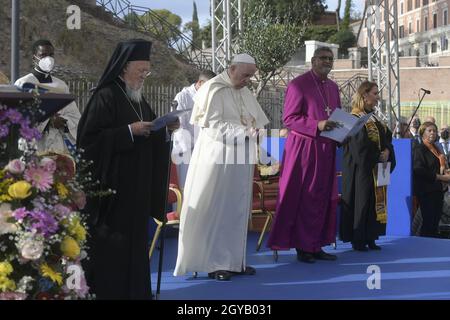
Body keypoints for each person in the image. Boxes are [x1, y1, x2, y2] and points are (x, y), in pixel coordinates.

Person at [77, 39, 179, 299]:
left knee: (135, 247)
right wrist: (128, 132)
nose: (144, 75)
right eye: (140, 70)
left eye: (147, 70)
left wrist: (165, 129)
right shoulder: (105, 96)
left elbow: (150, 131)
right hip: (112, 190)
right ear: (123, 68)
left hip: (136, 189)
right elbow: (89, 142)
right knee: (112, 250)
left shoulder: (139, 99)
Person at [173, 53, 269, 281]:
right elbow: (214, 127)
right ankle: (216, 263)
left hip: (240, 160)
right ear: (232, 69)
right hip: (217, 159)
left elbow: (255, 119)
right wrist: (246, 132)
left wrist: (258, 131)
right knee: (217, 209)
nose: (248, 80)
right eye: (245, 75)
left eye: (251, 76)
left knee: (237, 210)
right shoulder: (213, 89)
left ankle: (235, 262)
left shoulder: (244, 90)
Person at [266, 47, 341, 263]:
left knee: (324, 198)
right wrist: (317, 124)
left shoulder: (334, 87)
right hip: (305, 149)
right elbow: (289, 119)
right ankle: (303, 246)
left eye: (330, 59)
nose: (327, 62)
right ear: (313, 60)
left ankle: (316, 244)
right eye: (323, 58)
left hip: (327, 148)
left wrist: (343, 131)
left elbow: (335, 116)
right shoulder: (298, 85)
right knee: (306, 197)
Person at [339, 81, 396, 251]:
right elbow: (359, 145)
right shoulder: (354, 118)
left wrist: (387, 150)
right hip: (361, 169)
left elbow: (386, 138)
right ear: (365, 95)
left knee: (375, 201)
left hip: (377, 166)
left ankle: (371, 236)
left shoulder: (375, 118)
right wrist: (378, 154)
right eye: (375, 93)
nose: (378, 97)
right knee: (362, 201)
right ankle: (359, 238)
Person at [15, 39, 80, 154]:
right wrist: (48, 122)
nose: (48, 59)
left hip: (59, 145)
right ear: (34, 58)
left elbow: (75, 116)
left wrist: (65, 122)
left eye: (51, 55)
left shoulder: (61, 85)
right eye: (43, 55)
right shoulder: (24, 83)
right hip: (35, 146)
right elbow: (19, 118)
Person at [172, 70, 216, 189]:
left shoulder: (209, 98)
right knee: (185, 189)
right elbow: (179, 128)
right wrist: (198, 144)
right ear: (200, 82)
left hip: (203, 153)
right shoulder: (183, 97)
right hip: (186, 153)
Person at [413, 121, 450, 237]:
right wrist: (440, 177)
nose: (432, 133)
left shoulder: (437, 149)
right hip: (426, 191)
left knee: (435, 222)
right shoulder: (420, 149)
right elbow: (418, 170)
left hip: (438, 190)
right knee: (428, 222)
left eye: (434, 131)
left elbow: (440, 166)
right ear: (422, 133)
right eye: (429, 131)